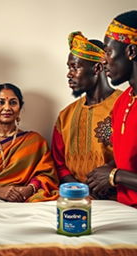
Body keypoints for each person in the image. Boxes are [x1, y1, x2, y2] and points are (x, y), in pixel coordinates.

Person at [51, 32, 122, 198]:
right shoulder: (65, 116)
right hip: (75, 197)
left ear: (97, 68)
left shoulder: (125, 104)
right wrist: (80, 191)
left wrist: (108, 179)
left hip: (118, 198)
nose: (69, 74)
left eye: (75, 67)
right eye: (69, 68)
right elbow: (59, 164)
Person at [87, 11, 137, 206]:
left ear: (131, 52)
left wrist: (115, 176)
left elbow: (119, 173)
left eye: (108, 52)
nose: (103, 60)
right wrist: (99, 177)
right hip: (124, 210)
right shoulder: (123, 101)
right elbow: (127, 159)